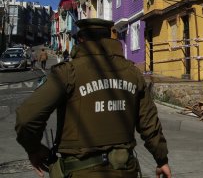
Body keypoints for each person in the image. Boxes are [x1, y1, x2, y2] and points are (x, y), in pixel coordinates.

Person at [15, 18, 171, 178]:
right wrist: (162, 160)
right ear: (109, 37)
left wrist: (34, 148)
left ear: (81, 40)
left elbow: (26, 117)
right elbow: (149, 124)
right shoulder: (133, 72)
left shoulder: (68, 73)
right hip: (125, 171)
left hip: (79, 171)